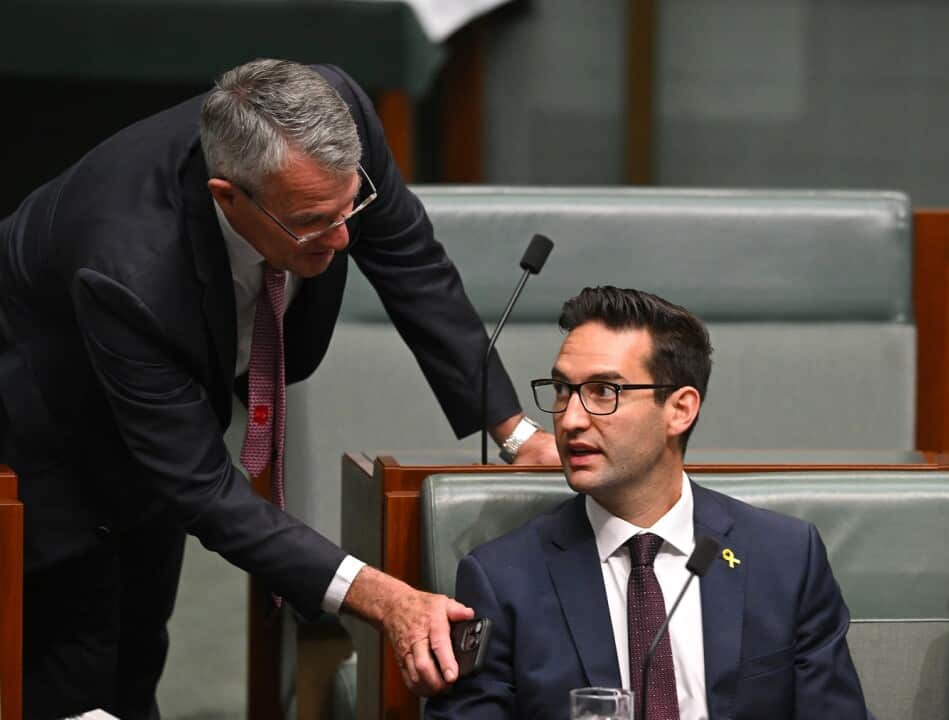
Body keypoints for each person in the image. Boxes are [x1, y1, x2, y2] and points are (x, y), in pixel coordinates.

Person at [0, 58, 558, 719]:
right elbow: (203, 490)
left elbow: (409, 261)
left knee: (138, 646)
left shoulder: (333, 114)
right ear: (229, 196)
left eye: (350, 206)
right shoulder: (128, 267)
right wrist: (386, 599)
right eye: (316, 221)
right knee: (78, 667)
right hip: (45, 432)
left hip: (163, 403)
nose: (345, 236)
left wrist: (517, 433)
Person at [426, 286, 869, 720]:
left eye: (604, 391)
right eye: (562, 390)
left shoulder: (786, 559)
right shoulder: (503, 580)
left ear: (680, 409)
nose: (570, 419)